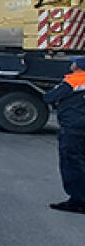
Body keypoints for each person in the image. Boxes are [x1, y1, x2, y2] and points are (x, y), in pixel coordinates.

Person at [44, 55, 85, 213]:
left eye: (74, 62)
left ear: (79, 66)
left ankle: (78, 201)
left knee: (72, 163)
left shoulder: (74, 80)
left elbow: (49, 97)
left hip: (73, 127)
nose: (71, 64)